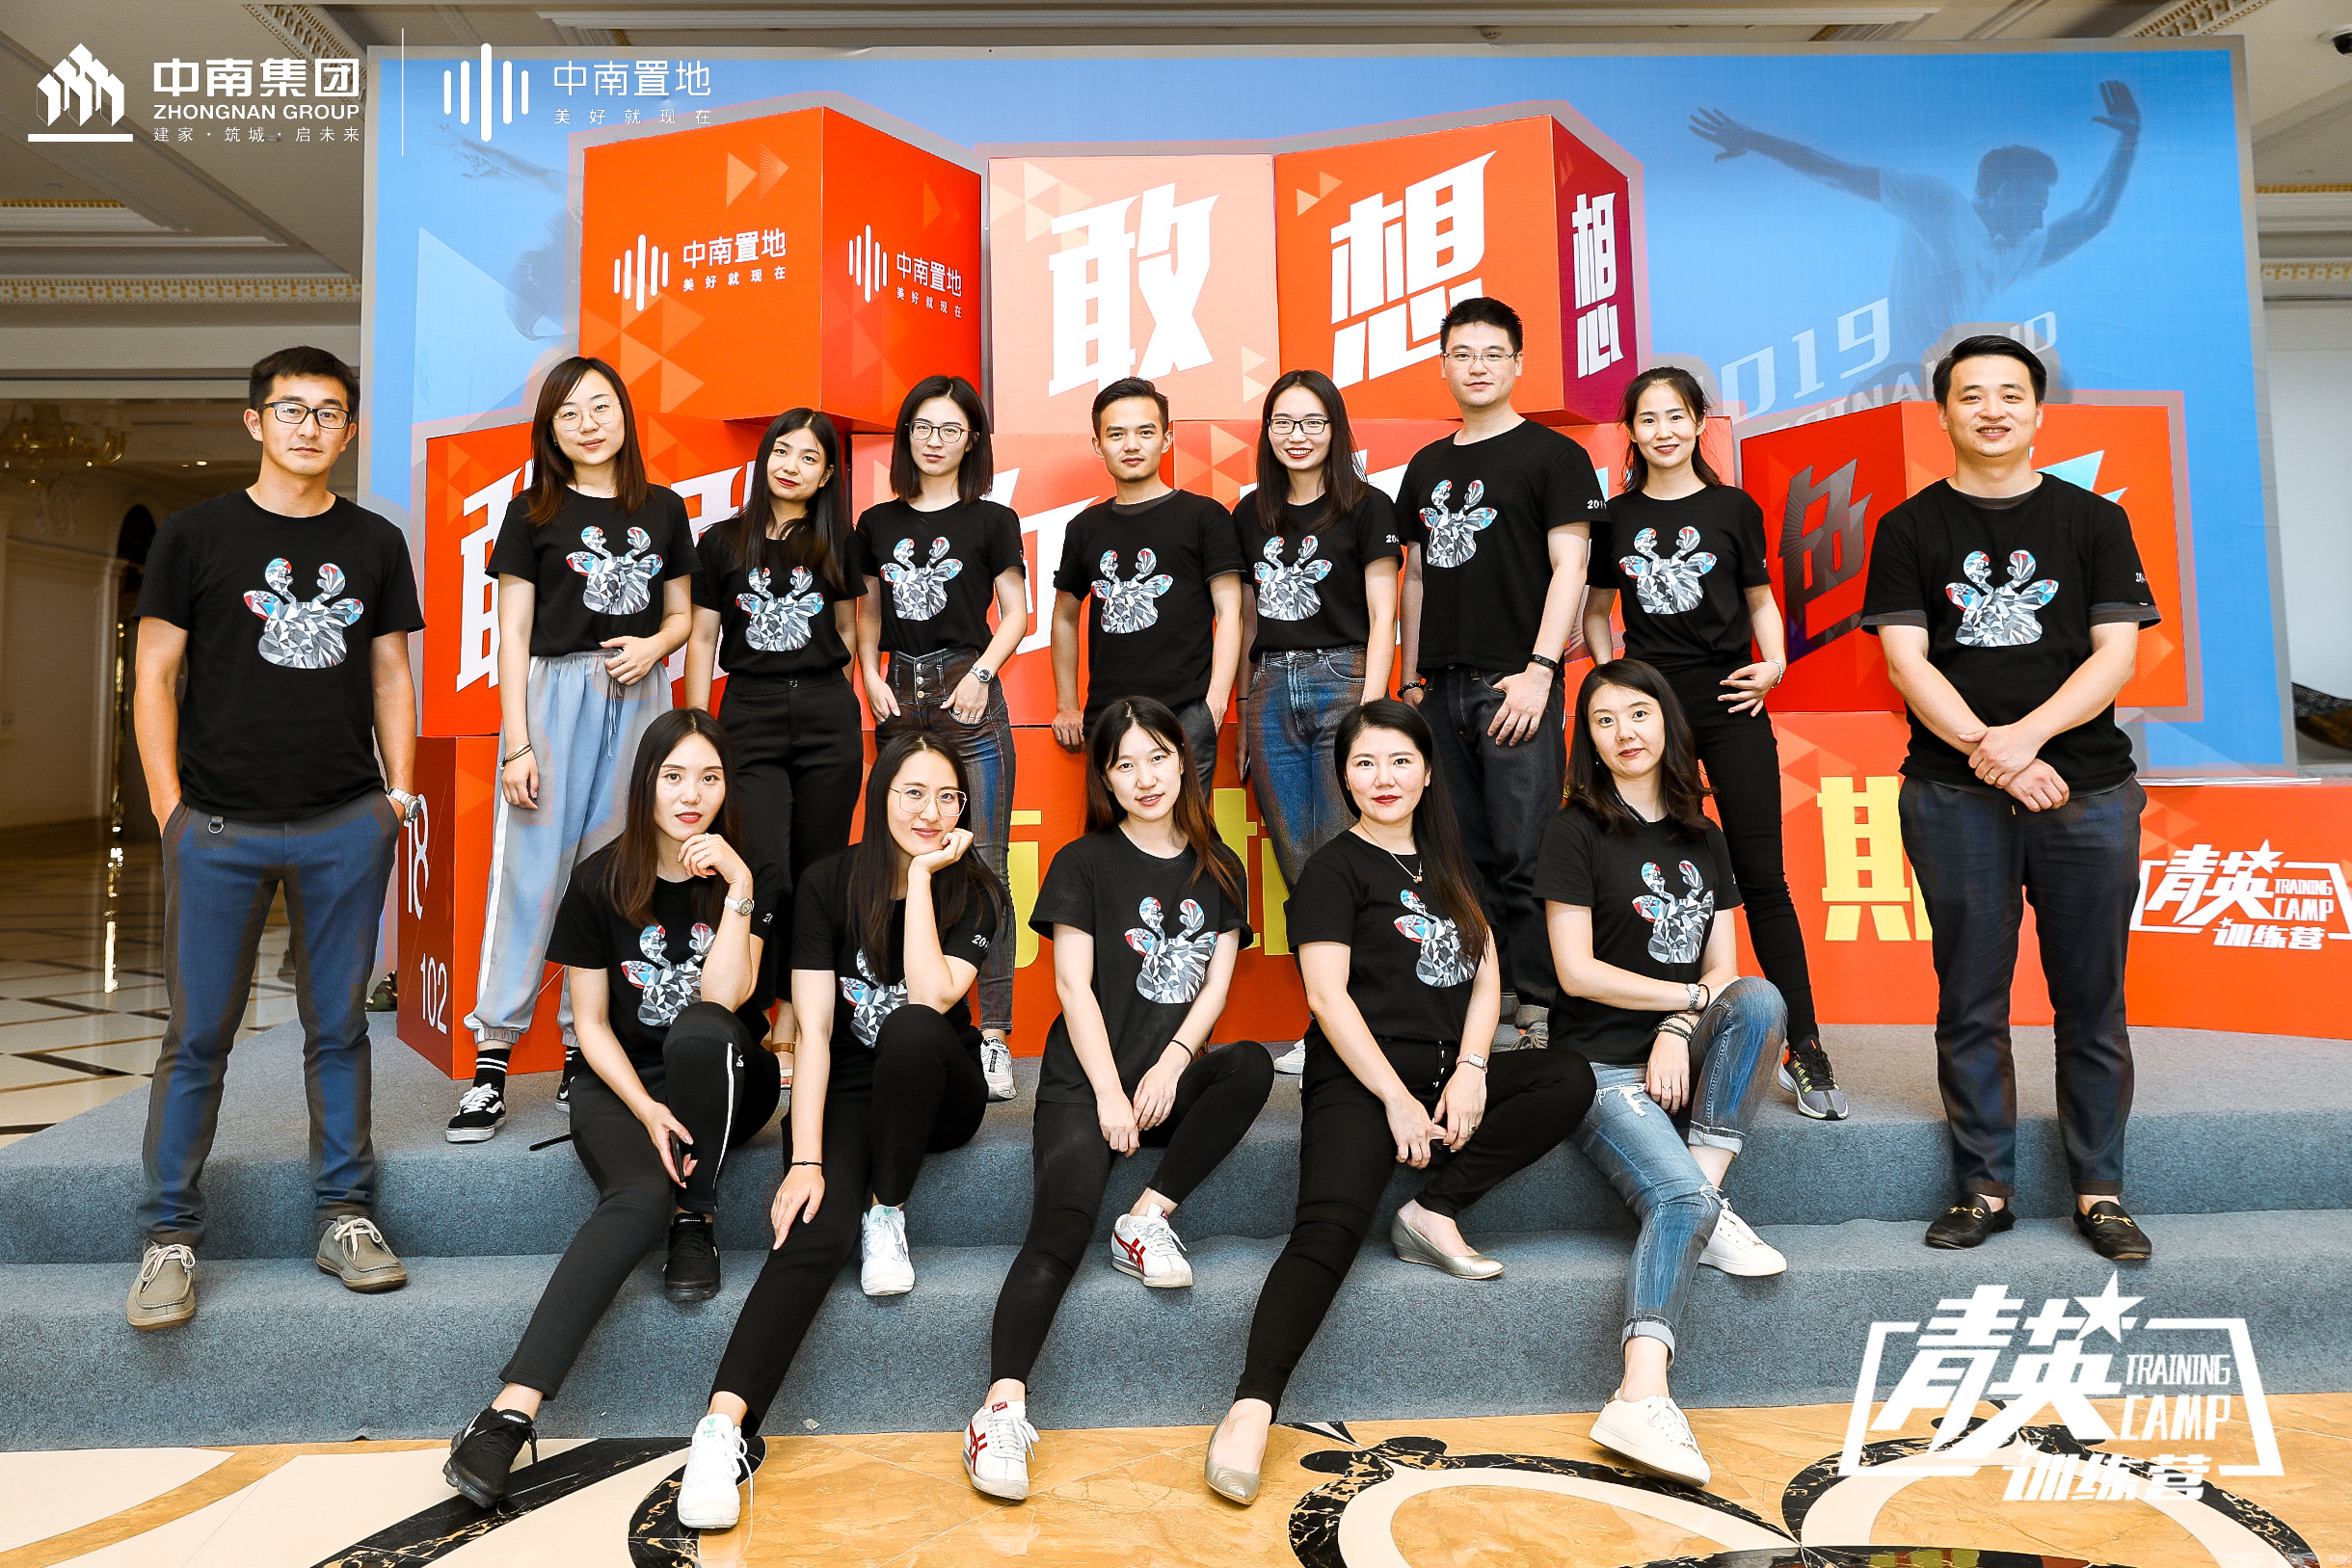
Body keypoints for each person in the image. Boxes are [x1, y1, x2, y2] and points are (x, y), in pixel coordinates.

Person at [1201, 700, 1596, 1505]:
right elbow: (1326, 996)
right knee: (1327, 1231)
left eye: (1400, 760)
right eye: (1364, 763)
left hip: (1450, 1076)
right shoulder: (1332, 868)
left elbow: (1486, 971)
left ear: (1426, 771)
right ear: (1344, 777)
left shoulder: (1450, 859)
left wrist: (1475, 1068)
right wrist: (1394, 1098)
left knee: (1567, 1077)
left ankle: (1431, 1208)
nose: (1383, 778)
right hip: (1360, 1078)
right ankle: (1251, 1406)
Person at [128, 345, 423, 1329]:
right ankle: (169, 1236)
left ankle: (345, 1217)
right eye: (291, 409)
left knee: (338, 1028)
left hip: (345, 822)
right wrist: (170, 809)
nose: (309, 426)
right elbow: (154, 675)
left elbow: (389, 674)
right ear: (255, 422)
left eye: (328, 411)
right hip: (217, 825)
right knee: (197, 1035)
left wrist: (397, 796)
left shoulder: (375, 542)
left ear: (350, 430)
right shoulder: (193, 535)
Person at [1859, 334, 2157, 1261]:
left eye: (2010, 394)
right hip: (1954, 796)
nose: (1992, 409)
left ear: (2037, 412)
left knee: (2092, 1000)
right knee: (1971, 997)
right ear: (1943, 412)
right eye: (1972, 394)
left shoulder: (2095, 520)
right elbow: (1907, 663)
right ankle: (1984, 1189)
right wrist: (1996, 757)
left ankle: (2101, 1193)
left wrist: (2024, 739)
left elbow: (2116, 654)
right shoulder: (1908, 528)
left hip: (2087, 792)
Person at [442, 709, 784, 1507]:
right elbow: (591, 1026)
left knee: (700, 1031)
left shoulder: (753, 871)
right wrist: (646, 1109)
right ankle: (508, 1413)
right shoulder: (601, 878)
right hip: (622, 1081)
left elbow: (727, 999)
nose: (692, 795)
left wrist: (737, 889)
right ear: (646, 784)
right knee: (633, 1199)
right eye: (674, 777)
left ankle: (695, 1216)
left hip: (727, 1074)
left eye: (709, 778)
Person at [674, 733, 1004, 1531]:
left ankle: (888, 1208)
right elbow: (816, 1034)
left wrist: (921, 878)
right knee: (813, 1228)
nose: (932, 812)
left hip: (939, 1085)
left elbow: (931, 995)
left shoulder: (976, 888)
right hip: (853, 1084)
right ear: (881, 794)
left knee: (913, 1029)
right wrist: (807, 1156)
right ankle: (720, 1429)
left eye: (948, 797)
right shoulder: (828, 883)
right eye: (913, 793)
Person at [963, 699, 1275, 1502]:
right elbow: (1073, 986)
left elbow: (1215, 987)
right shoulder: (1083, 861)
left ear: (1184, 763)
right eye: (1125, 763)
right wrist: (1108, 1090)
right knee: (1059, 1231)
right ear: (1105, 778)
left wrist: (1171, 1064)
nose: (1145, 777)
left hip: (1166, 1079)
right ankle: (999, 1410)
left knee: (1247, 1065)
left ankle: (1146, 1216)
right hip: (1086, 1080)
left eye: (1159, 757)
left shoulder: (1220, 866)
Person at [1537, 660, 1789, 1489]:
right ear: (1589, 740)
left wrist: (1679, 1026)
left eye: (1639, 712)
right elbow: (1576, 972)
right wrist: (1682, 1001)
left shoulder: (1701, 834)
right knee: (1673, 1200)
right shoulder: (1574, 829)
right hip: (1599, 1065)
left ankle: (1706, 1199)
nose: (1625, 732)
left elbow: (1725, 969)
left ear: (1666, 723)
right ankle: (1639, 1394)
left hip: (1675, 1046)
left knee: (1761, 999)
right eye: (1604, 720)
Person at [1581, 366, 1846, 1120]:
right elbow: (1597, 611)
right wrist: (1618, 687)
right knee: (1652, 876)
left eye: (1676, 416)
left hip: (1731, 704)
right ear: (1631, 432)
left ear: (1700, 423)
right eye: (1647, 419)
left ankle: (1805, 1046)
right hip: (1653, 716)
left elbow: (1761, 600)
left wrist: (1774, 665)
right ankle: (1653, 1031)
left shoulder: (1734, 508)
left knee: (1762, 877)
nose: (1662, 431)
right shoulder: (1616, 517)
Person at [455, 357, 695, 1141]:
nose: (588, 423)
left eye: (601, 407)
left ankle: (581, 1049)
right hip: (553, 698)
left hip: (640, 698)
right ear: (550, 430)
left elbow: (682, 615)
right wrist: (517, 745)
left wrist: (655, 645)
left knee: (614, 875)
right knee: (529, 873)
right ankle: (491, 1060)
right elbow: (513, 635)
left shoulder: (662, 508)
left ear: (624, 415)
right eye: (569, 413)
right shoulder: (530, 512)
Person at [1396, 297, 1609, 1054]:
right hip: (1440, 689)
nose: (1477, 366)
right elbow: (1416, 578)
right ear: (1443, 364)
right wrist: (1412, 682)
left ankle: (1541, 1007)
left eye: (1493, 353)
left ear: (1518, 363)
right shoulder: (1426, 465)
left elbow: (1571, 566)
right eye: (1463, 353)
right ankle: (1488, 999)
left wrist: (1541, 672)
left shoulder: (1554, 456)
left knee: (1525, 853)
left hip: (1516, 682)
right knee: (1460, 857)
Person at [1690, 83, 2139, 396]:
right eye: (2037, 204)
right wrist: (1752, 139)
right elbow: (1835, 173)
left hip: (1946, 389)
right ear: (2005, 192)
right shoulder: (1942, 205)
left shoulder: (2013, 252)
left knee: (2054, 381)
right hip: (1902, 381)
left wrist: (2129, 141)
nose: (2041, 221)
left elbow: (2090, 219)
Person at [855, 376, 1028, 1102]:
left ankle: (995, 1036)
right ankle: (898, 1017)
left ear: (972, 440)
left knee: (985, 863)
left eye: (950, 428)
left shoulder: (992, 519)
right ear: (906, 437)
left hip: (967, 687)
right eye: (923, 427)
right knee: (895, 861)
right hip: (899, 690)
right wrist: (869, 673)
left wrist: (984, 673)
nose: (935, 440)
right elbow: (867, 613)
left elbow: (1016, 613)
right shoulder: (875, 522)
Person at [684, 410, 867, 1092]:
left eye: (809, 457)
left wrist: (830, 691)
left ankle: (794, 1016)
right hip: (749, 712)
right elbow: (703, 639)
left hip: (825, 715)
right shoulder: (721, 542)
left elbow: (849, 632)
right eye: (782, 451)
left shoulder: (838, 543)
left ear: (827, 475)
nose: (792, 465)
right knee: (763, 867)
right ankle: (747, 1009)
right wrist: (699, 729)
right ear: (764, 459)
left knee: (819, 873)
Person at [1051, 377, 1243, 793]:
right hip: (1107, 717)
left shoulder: (1204, 517)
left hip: (1186, 714)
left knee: (1187, 830)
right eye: (1116, 434)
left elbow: (1230, 613)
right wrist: (1067, 705)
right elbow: (1064, 617)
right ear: (1098, 445)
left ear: (1166, 439)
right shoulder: (1084, 528)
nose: (1131, 445)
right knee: (1113, 832)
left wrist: (1213, 705)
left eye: (1145, 432)